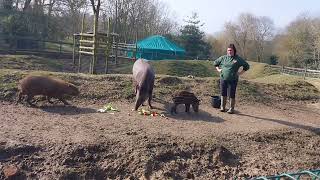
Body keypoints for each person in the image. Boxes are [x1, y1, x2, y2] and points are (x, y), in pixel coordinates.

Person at [213, 44, 250, 114]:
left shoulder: (238, 59)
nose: (229, 52)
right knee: (223, 93)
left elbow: (247, 66)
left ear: (234, 51)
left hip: (233, 80)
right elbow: (215, 63)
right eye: (228, 50)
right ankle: (222, 107)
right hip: (223, 78)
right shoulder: (223, 58)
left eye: (231, 50)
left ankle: (231, 109)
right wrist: (218, 69)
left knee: (231, 94)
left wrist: (240, 73)